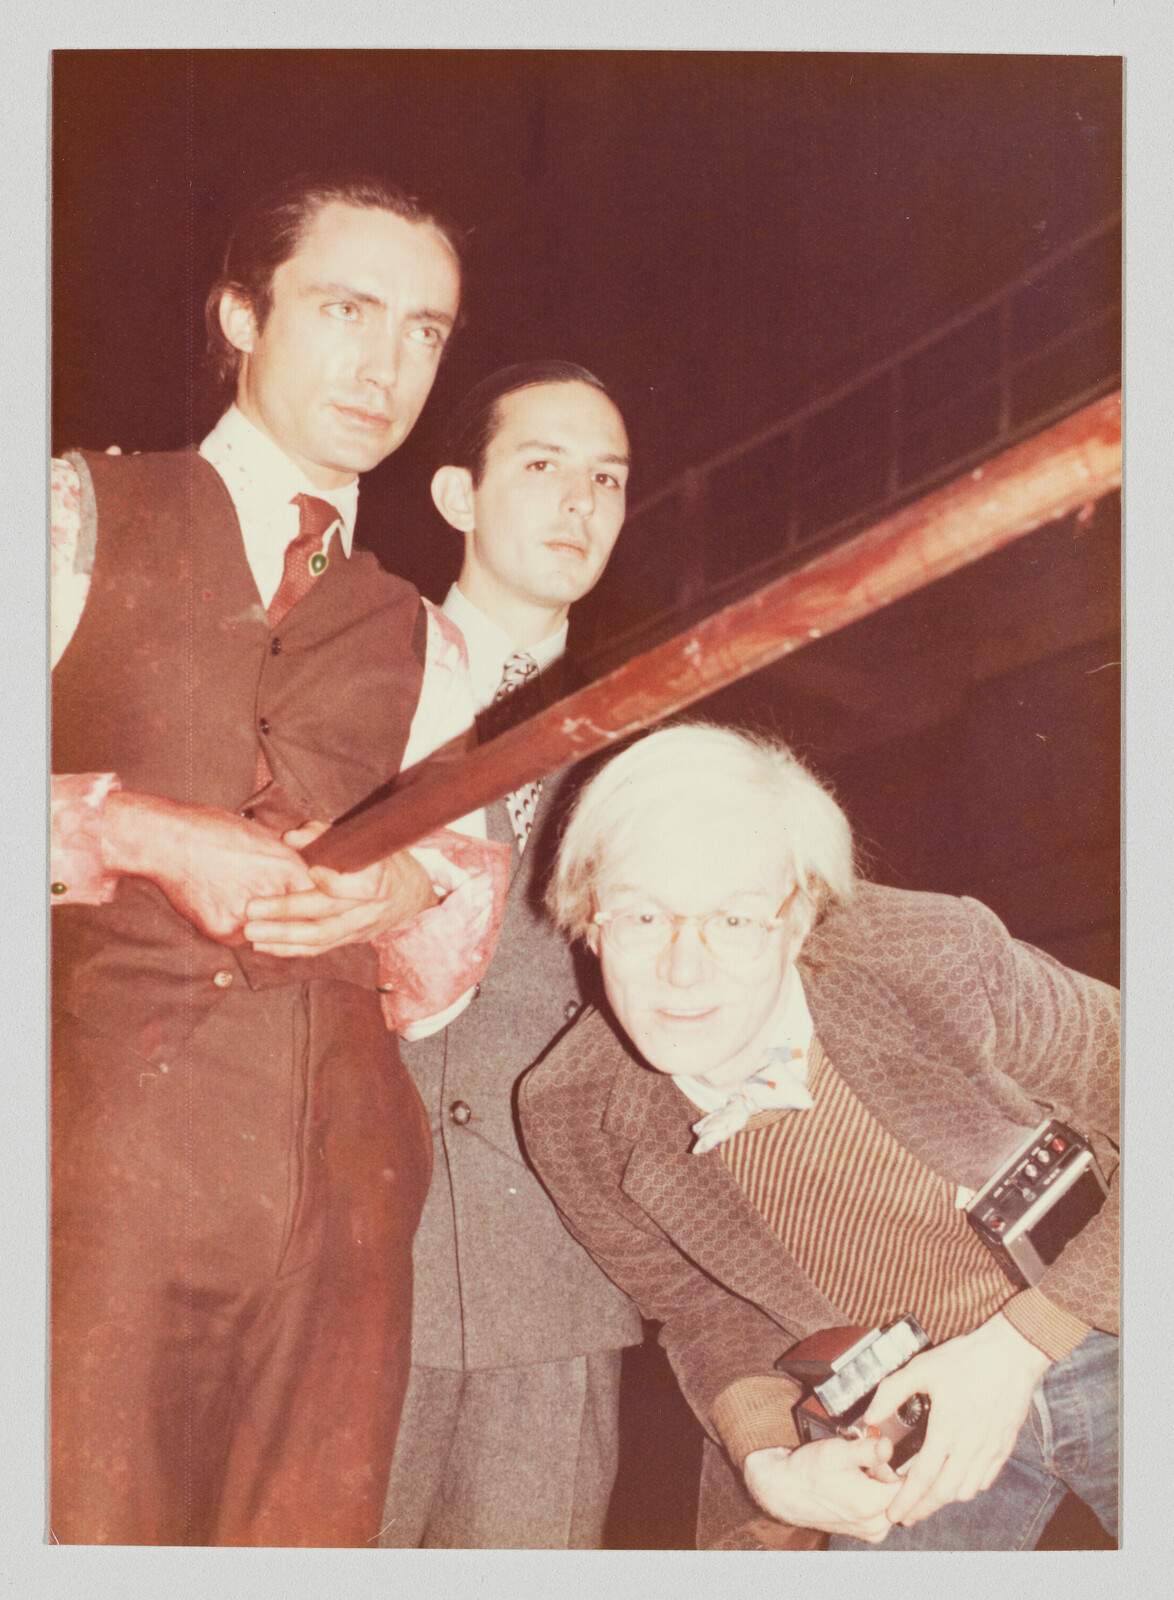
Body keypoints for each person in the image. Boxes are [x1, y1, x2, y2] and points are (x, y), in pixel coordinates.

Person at [49, 174, 510, 1546]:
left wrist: (400, 888)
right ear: (242, 312)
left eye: (423, 330)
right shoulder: (70, 515)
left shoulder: (428, 635)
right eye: (345, 308)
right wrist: (123, 825)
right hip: (95, 1178)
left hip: (346, 1206)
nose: (385, 364)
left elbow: (456, 930)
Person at [518, 723, 1119, 1552]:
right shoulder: (572, 1112)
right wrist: (767, 1458)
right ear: (588, 919)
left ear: (797, 919)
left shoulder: (938, 959)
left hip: (1107, 1313)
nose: (682, 972)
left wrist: (1017, 1348)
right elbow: (699, 1302)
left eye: (732, 920)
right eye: (644, 916)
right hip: (898, 1421)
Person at [379, 363, 642, 1548]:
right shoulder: (353, 679)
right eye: (541, 465)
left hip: (557, 1278)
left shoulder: (659, 727)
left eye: (607, 479)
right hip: (359, 1265)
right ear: (455, 493)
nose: (577, 502)